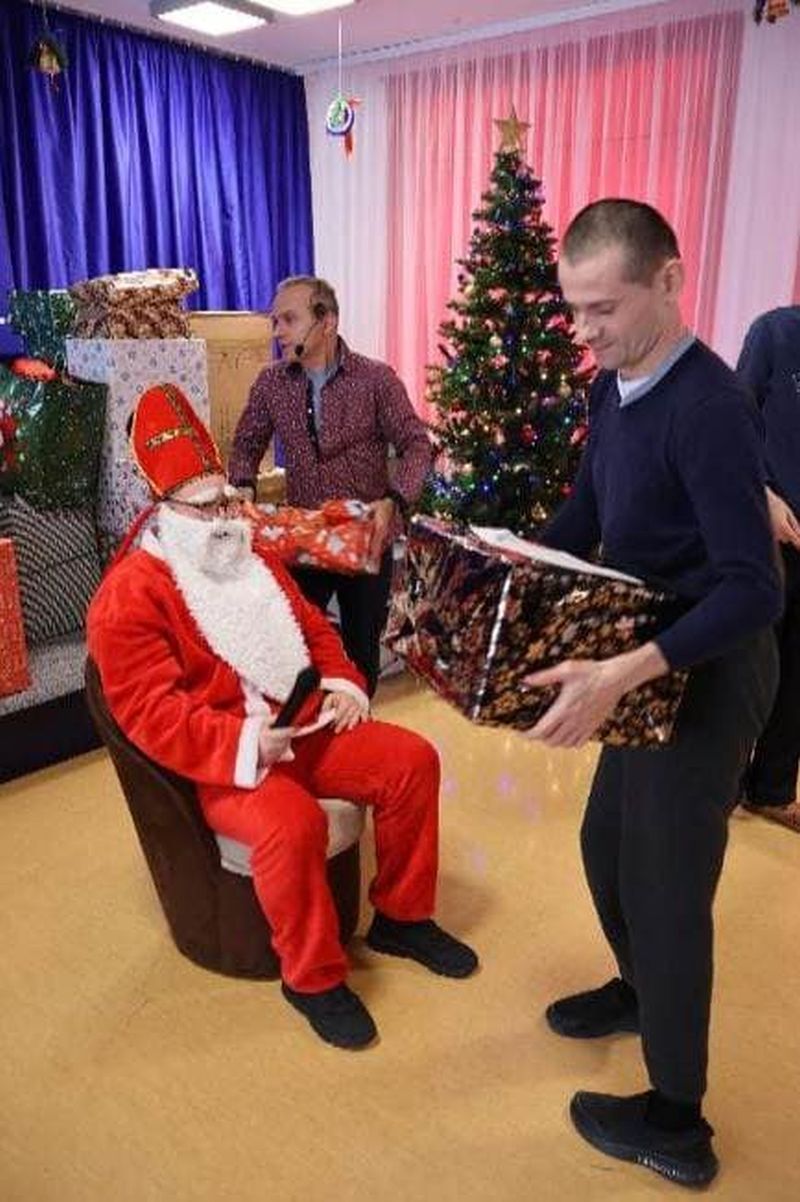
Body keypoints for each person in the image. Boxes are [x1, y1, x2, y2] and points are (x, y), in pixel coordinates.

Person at [87, 383, 477, 1051]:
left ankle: (403, 918)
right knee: (292, 825)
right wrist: (245, 744)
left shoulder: (249, 551)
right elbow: (151, 713)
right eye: (207, 506)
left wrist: (344, 682)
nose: (224, 516)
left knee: (412, 762)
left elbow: (311, 629)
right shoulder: (129, 597)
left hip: (305, 726)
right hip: (226, 759)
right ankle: (313, 978)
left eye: (227, 499)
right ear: (165, 508)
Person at [524, 200, 782, 1187]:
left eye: (603, 308)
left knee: (667, 892)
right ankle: (642, 990)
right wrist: (498, 560)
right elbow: (588, 512)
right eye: (573, 308)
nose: (583, 330)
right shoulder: (614, 387)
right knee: (607, 848)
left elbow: (753, 590)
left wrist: (619, 672)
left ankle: (677, 1122)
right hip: (641, 666)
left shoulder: (709, 408)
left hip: (708, 669)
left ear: (668, 282)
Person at [228, 276, 432, 696]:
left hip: (366, 539)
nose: (278, 331)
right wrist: (243, 486)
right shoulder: (271, 384)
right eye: (275, 321)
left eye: (289, 319)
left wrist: (394, 500)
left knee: (360, 660)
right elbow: (246, 445)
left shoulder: (376, 379)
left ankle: (358, 726)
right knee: (295, 651)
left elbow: (417, 445)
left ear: (327, 322)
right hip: (304, 540)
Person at [737, 305, 800, 833]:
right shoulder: (774, 334)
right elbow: (733, 426)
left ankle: (772, 790)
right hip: (769, 532)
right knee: (749, 666)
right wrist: (762, 494)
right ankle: (718, 784)